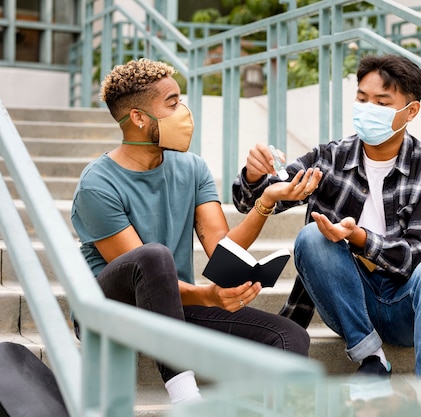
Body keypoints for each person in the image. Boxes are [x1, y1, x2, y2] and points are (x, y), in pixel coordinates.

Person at [71, 58, 320, 403]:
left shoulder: (192, 167)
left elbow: (222, 249)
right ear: (140, 119)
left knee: (289, 337)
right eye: (172, 104)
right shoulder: (97, 185)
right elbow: (138, 271)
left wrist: (264, 201)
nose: (184, 112)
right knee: (153, 256)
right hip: (110, 310)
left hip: (174, 306)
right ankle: (186, 397)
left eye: (181, 100)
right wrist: (206, 295)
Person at [232, 54, 421, 378]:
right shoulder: (330, 158)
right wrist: (255, 177)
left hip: (406, 305)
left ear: (411, 111)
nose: (368, 109)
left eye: (382, 102)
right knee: (312, 236)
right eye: (362, 99)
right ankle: (372, 359)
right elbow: (249, 199)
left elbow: (418, 255)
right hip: (350, 303)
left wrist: (359, 238)